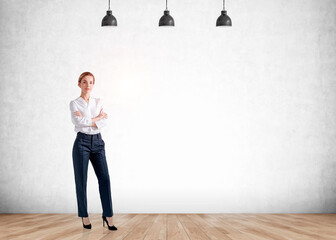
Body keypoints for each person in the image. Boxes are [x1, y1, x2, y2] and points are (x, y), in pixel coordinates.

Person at [70, 72, 117, 230]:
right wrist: (97, 118)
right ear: (79, 84)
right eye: (84, 82)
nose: (88, 85)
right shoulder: (74, 103)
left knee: (105, 179)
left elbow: (105, 122)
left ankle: (108, 215)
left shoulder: (99, 101)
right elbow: (79, 122)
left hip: (98, 143)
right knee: (81, 180)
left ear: (93, 84)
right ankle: (84, 216)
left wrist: (91, 120)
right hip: (81, 143)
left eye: (91, 82)